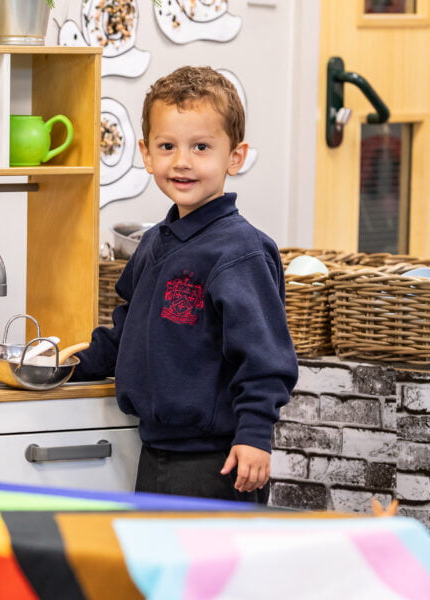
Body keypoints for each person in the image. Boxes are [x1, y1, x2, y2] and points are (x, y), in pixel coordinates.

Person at [71, 65, 298, 503]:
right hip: (155, 453)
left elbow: (266, 359)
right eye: (167, 146)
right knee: (156, 572)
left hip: (219, 462)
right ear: (146, 153)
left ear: (235, 156)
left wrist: (254, 435)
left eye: (200, 147)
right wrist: (61, 368)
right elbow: (125, 336)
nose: (181, 161)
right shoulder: (153, 242)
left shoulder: (241, 252)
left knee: (211, 575)